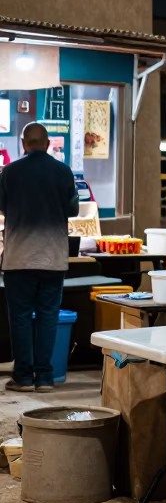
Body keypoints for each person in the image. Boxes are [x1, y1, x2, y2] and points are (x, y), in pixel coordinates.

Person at [0, 122, 79, 392]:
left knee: (20, 317)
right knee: (48, 316)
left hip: (18, 259)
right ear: (47, 143)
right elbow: (74, 209)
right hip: (53, 259)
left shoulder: (8, 173)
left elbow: (2, 206)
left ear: (24, 144)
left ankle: (22, 377)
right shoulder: (63, 171)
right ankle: (44, 377)